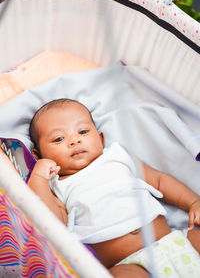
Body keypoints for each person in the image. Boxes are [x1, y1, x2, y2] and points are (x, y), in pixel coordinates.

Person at [28, 98, 200, 278]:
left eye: (83, 131)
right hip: (130, 265)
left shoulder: (118, 156)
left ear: (100, 139)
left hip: (176, 243)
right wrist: (38, 176)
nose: (74, 140)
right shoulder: (58, 186)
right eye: (59, 138)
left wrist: (193, 202)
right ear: (39, 155)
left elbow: (159, 180)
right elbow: (53, 222)